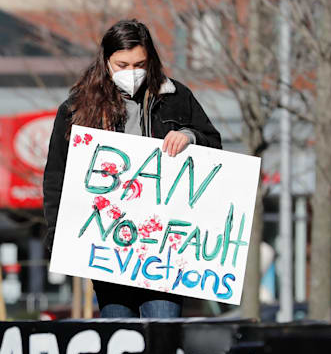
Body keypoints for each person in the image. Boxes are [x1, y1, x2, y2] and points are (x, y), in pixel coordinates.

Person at [42, 19, 221, 318]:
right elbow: (57, 177)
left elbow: (215, 147)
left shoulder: (177, 99)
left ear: (151, 61)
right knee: (120, 334)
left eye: (139, 64)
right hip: (109, 244)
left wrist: (190, 137)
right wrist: (60, 234)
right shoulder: (76, 110)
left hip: (164, 246)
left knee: (162, 331)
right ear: (105, 62)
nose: (131, 73)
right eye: (121, 65)